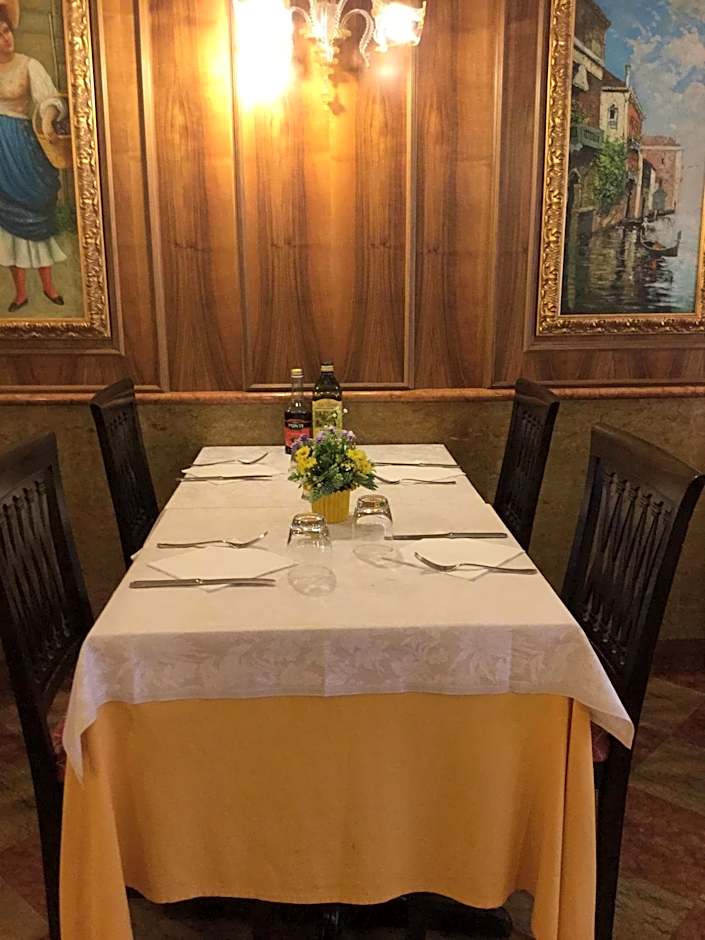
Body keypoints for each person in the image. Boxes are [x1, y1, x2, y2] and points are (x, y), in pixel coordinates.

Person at [0, 0, 67, 312]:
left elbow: (47, 100)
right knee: (7, 224)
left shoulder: (29, 65)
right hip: (0, 157)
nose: (6, 39)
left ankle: (49, 287)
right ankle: (20, 294)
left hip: (23, 150)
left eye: (6, 31)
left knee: (36, 216)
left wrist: (50, 119)